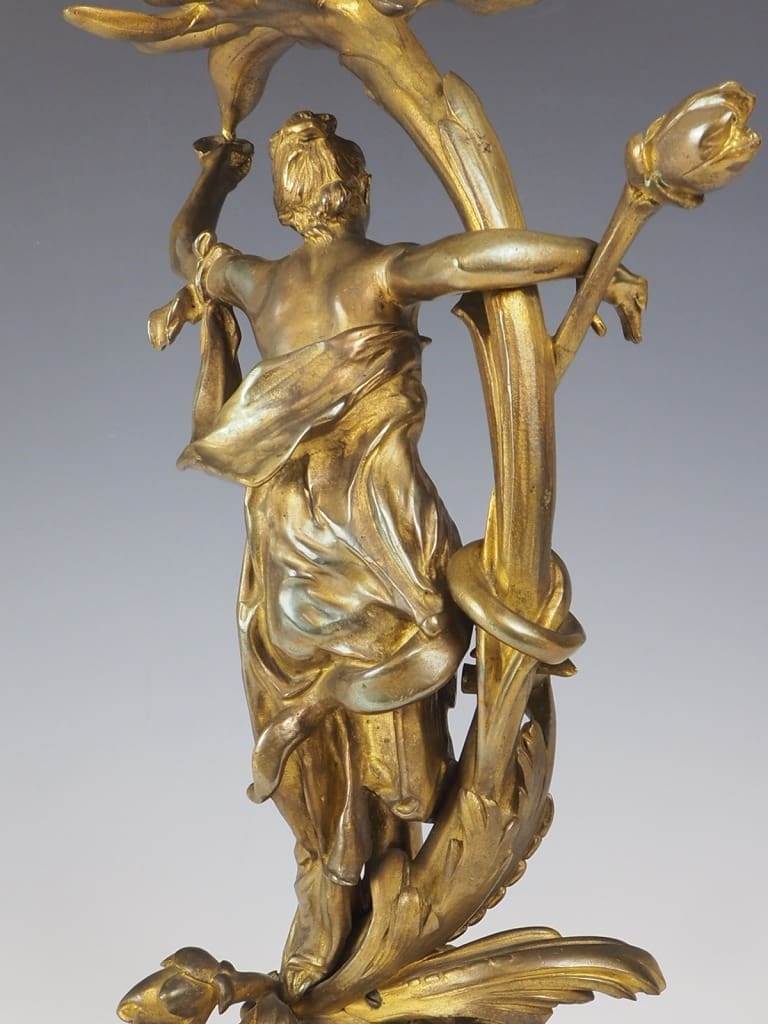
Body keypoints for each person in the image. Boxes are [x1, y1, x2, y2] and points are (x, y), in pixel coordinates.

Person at [164, 110, 646, 1000]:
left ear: (287, 205)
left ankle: (337, 903)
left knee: (327, 717)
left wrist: (216, 173)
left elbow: (187, 251)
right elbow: (481, 259)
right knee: (399, 706)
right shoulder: (381, 271)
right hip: (382, 534)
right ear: (361, 190)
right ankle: (377, 905)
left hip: (287, 539)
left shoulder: (261, 282)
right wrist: (593, 257)